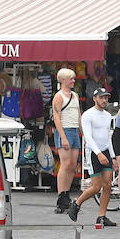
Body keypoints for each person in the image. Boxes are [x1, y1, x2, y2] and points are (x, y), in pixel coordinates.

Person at [73, 88, 117, 227]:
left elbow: (108, 136)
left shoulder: (108, 115)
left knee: (108, 185)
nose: (104, 100)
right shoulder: (88, 115)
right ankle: (76, 204)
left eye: (106, 98)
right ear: (95, 99)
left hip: (105, 150)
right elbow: (88, 137)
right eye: (101, 97)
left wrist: (113, 156)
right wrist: (98, 153)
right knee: (96, 187)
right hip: (93, 152)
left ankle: (102, 216)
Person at [51, 67, 82, 213]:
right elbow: (56, 117)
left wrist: (83, 132)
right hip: (64, 129)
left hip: (74, 130)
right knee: (65, 164)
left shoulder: (75, 95)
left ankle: (66, 193)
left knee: (72, 165)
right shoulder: (58, 96)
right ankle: (61, 196)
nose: (73, 81)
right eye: (71, 79)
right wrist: (63, 136)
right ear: (63, 80)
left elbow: (79, 114)